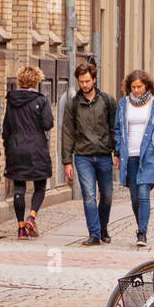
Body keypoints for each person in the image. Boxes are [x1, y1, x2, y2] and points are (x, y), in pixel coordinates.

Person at [62, 62, 118, 246]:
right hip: (83, 156)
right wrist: (67, 161)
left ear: (94, 79)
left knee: (107, 195)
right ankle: (94, 234)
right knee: (89, 195)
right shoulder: (73, 104)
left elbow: (114, 128)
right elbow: (68, 132)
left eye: (87, 81)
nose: (84, 85)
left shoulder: (107, 101)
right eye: (81, 82)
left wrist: (116, 151)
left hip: (103, 155)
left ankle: (103, 228)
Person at [114, 70, 154, 248]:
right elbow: (117, 129)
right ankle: (140, 226)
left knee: (144, 193)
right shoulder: (124, 104)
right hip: (129, 155)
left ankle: (142, 232)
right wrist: (117, 151)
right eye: (133, 87)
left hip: (148, 155)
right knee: (135, 196)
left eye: (139, 86)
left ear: (146, 85)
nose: (136, 90)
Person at [3, 66, 54, 239]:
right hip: (36, 148)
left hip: (16, 148)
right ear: (37, 80)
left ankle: (20, 229)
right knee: (40, 185)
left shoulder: (11, 100)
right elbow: (48, 123)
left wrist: (7, 148)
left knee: (19, 186)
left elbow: (6, 128)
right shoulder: (41, 100)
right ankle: (31, 217)